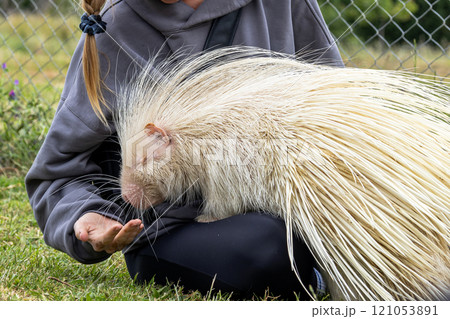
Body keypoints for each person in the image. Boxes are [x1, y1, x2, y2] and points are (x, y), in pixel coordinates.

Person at [25, 0, 343, 300]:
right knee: (267, 249)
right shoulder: (115, 27)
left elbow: (336, 107)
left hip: (294, 203)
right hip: (175, 227)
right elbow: (58, 171)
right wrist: (87, 214)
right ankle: (315, 276)